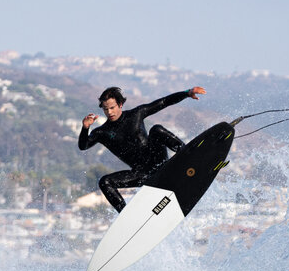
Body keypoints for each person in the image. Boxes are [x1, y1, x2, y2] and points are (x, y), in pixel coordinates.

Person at [78, 85, 206, 211]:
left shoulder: (136, 114)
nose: (109, 112)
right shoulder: (102, 132)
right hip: (141, 174)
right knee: (104, 182)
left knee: (156, 130)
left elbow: (164, 102)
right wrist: (85, 128)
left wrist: (187, 93)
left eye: (112, 107)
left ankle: (189, 157)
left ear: (120, 104)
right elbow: (83, 146)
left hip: (158, 161)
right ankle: (126, 215)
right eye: (106, 109)